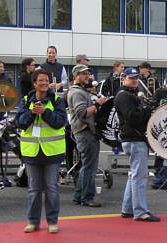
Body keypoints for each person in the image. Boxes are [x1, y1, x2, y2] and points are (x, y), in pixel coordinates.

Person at [15, 69, 66, 233]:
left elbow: (60, 122)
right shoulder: (25, 100)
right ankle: (33, 221)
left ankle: (52, 221)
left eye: (47, 80)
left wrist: (45, 113)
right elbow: (20, 123)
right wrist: (31, 113)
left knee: (52, 188)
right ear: (34, 83)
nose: (44, 83)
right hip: (31, 152)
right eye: (41, 80)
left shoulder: (57, 100)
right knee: (34, 189)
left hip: (52, 151)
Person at [115, 67, 160, 222]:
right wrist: (147, 109)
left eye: (136, 78)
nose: (134, 80)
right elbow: (133, 118)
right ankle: (140, 211)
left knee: (134, 175)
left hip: (133, 138)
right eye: (131, 78)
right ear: (123, 79)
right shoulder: (125, 96)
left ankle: (127, 209)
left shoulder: (127, 95)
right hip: (134, 138)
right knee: (139, 176)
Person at [67, 64, 107, 207]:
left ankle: (79, 196)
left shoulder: (79, 91)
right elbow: (82, 113)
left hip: (84, 132)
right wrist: (97, 104)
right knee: (89, 167)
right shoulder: (77, 93)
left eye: (87, 74)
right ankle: (87, 198)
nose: (87, 76)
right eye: (83, 74)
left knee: (86, 166)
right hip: (85, 132)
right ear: (76, 76)